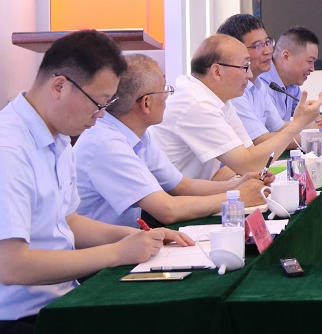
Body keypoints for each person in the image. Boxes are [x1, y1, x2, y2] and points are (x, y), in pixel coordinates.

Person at [0, 30, 190, 334]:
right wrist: (116, 253)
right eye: (99, 103)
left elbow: (68, 221)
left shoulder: (58, 137)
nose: (101, 115)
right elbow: (11, 266)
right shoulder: (2, 151)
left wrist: (137, 237)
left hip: (49, 307)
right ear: (59, 86)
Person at [73, 55, 271, 228]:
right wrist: (238, 197)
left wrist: (238, 185)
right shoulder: (107, 144)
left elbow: (182, 186)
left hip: (128, 239)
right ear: (146, 103)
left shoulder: (139, 134)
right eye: (165, 90)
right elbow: (167, 210)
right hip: (101, 252)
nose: (168, 97)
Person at [149, 34, 322, 180]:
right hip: (166, 202)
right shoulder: (196, 103)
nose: (249, 74)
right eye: (245, 67)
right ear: (217, 71)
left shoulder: (220, 99)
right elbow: (249, 163)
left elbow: (249, 156)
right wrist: (297, 125)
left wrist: (248, 175)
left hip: (194, 190)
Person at [217, 14, 286, 142]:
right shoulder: (233, 91)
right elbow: (259, 140)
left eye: (267, 42)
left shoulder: (259, 85)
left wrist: (314, 126)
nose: (268, 51)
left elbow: (279, 128)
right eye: (257, 46)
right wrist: (303, 129)